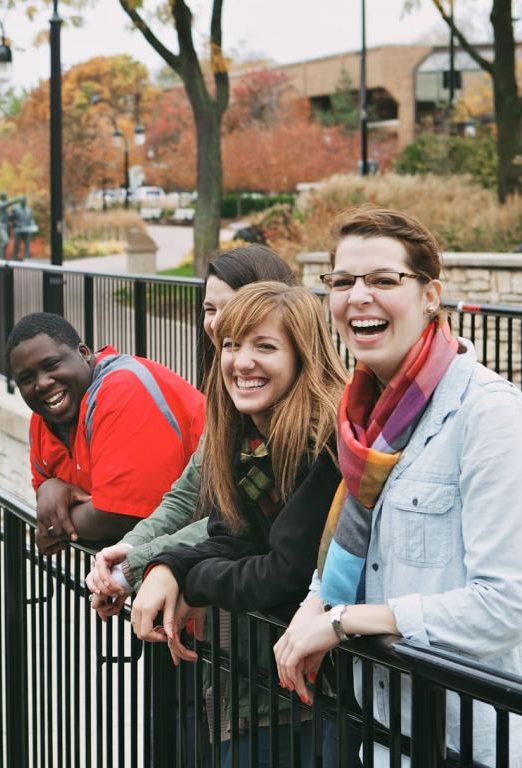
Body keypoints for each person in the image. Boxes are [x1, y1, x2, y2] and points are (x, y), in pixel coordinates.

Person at [272, 206, 522, 765]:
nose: (358, 296)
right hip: (393, 738)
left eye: (384, 280)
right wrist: (316, 601)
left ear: (431, 294)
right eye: (342, 281)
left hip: (488, 743)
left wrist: (342, 622)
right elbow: (355, 549)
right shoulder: (365, 418)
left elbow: (505, 606)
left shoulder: (488, 416)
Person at [128, 283, 348, 767]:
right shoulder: (249, 440)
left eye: (264, 347)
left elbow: (283, 573)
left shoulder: (325, 442)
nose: (241, 362)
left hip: (332, 696)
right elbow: (230, 537)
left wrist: (192, 579)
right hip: (284, 683)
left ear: (302, 356)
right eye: (231, 345)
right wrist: (166, 567)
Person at [84, 244, 298, 615]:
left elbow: (235, 523)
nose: (216, 323)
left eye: (230, 309)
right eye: (209, 310)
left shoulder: (295, 422)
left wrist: (142, 566)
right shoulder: (228, 399)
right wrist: (128, 551)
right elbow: (186, 494)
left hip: (274, 614)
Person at [7, 312, 205, 555]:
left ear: (84, 353)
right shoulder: (43, 419)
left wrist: (53, 525)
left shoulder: (123, 389)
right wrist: (50, 486)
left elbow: (123, 517)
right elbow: (49, 500)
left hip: (226, 534)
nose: (42, 383)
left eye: (51, 365)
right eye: (26, 379)